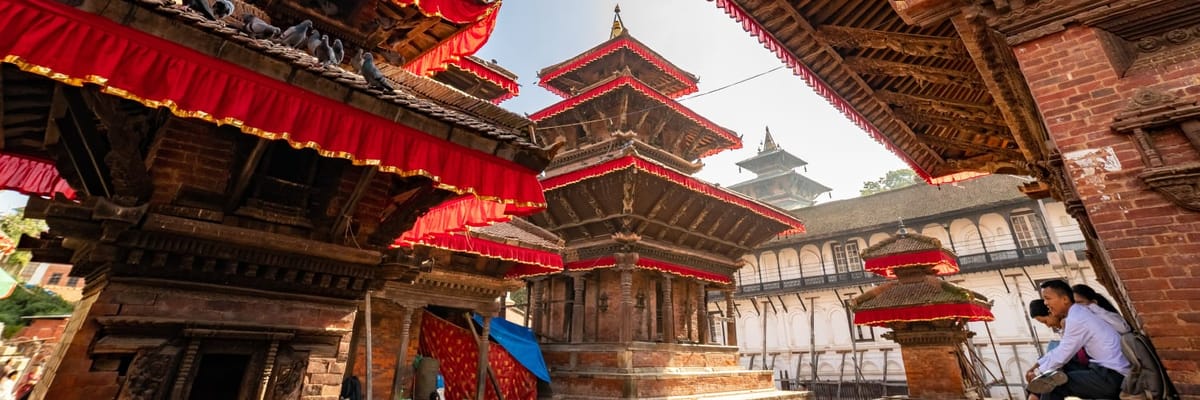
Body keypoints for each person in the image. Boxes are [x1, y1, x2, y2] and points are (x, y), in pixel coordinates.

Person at [1025, 280, 1130, 400]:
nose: (1045, 303)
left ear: (1065, 299)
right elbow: (1061, 350)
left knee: (1053, 385)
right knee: (1054, 375)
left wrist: (1038, 373)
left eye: (1048, 298)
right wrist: (1036, 366)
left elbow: (1062, 354)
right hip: (1104, 371)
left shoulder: (1077, 319)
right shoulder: (1079, 313)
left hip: (1112, 376)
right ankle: (1034, 393)